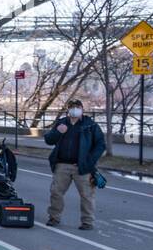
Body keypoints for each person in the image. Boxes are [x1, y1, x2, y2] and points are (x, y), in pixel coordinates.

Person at [44, 97, 106, 230]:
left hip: (82, 166)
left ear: (82, 109)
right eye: (72, 107)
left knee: (87, 196)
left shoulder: (90, 125)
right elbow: (48, 140)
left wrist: (90, 162)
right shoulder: (61, 123)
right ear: (68, 109)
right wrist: (57, 132)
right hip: (62, 165)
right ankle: (54, 218)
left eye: (78, 107)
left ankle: (87, 222)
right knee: (56, 192)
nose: (75, 109)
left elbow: (100, 144)